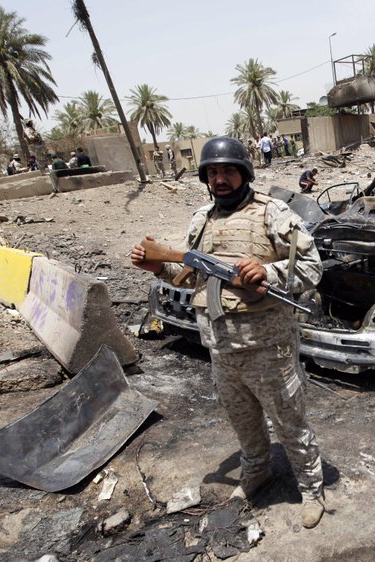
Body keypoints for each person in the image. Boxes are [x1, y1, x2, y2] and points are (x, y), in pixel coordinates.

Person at [130, 137, 326, 529]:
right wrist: (155, 267)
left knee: (289, 422)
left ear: (244, 173)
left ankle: (312, 488)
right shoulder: (202, 219)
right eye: (213, 172)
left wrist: (267, 272)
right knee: (243, 422)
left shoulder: (274, 213)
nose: (220, 178)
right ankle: (257, 472)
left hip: (269, 350)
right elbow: (188, 277)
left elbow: (312, 268)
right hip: (220, 349)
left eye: (228, 170)